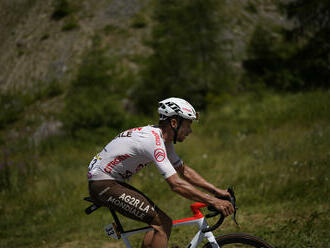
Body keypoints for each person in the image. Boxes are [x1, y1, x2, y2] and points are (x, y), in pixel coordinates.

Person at [87, 97, 234, 248]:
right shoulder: (152, 141)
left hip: (110, 181)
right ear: (174, 123)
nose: (190, 131)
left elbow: (184, 171)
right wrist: (214, 201)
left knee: (158, 223)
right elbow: (176, 185)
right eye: (188, 125)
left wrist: (217, 191)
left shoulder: (163, 140)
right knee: (162, 224)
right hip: (104, 184)